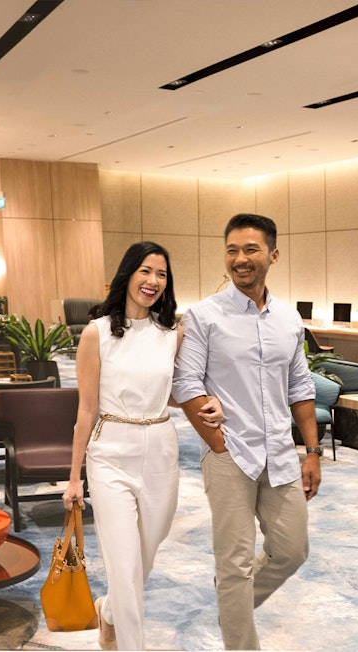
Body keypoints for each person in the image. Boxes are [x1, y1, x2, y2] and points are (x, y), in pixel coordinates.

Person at [63, 241, 223, 651]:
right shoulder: (97, 332)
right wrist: (74, 477)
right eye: (146, 271)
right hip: (110, 452)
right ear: (128, 274)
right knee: (124, 563)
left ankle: (109, 612)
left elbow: (173, 392)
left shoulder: (172, 333)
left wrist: (208, 400)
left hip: (160, 448)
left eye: (162, 274)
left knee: (145, 556)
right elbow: (86, 409)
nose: (153, 281)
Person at [173, 213, 321, 650]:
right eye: (232, 250)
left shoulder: (289, 319)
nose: (240, 258)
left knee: (292, 550)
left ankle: (231, 604)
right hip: (230, 454)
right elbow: (185, 382)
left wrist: (312, 452)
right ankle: (240, 637)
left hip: (280, 453)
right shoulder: (204, 316)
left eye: (251, 249)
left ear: (273, 255)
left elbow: (300, 387)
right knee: (234, 563)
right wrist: (217, 444)